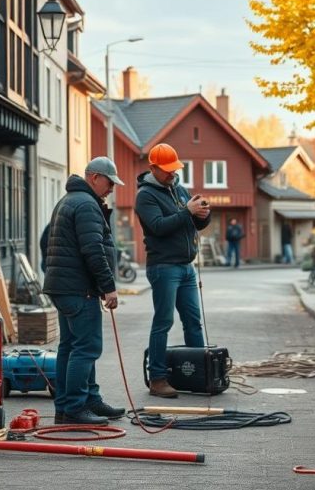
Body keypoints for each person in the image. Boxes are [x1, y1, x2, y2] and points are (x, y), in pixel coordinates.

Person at [42, 157, 126, 425]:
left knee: (70, 346)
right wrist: (108, 287)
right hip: (78, 289)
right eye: (109, 182)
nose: (112, 188)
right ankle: (76, 408)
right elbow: (93, 250)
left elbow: (46, 241)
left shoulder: (68, 201)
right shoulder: (87, 205)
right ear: (94, 177)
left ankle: (76, 404)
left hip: (63, 286)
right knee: (87, 347)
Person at [135, 143, 211, 398]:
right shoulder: (145, 195)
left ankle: (202, 373)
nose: (171, 174)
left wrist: (202, 215)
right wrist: (186, 212)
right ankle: (157, 379)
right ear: (153, 168)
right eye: (166, 170)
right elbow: (158, 226)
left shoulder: (178, 188)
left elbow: (190, 224)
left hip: (186, 267)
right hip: (163, 267)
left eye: (174, 169)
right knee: (163, 322)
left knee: (193, 322)